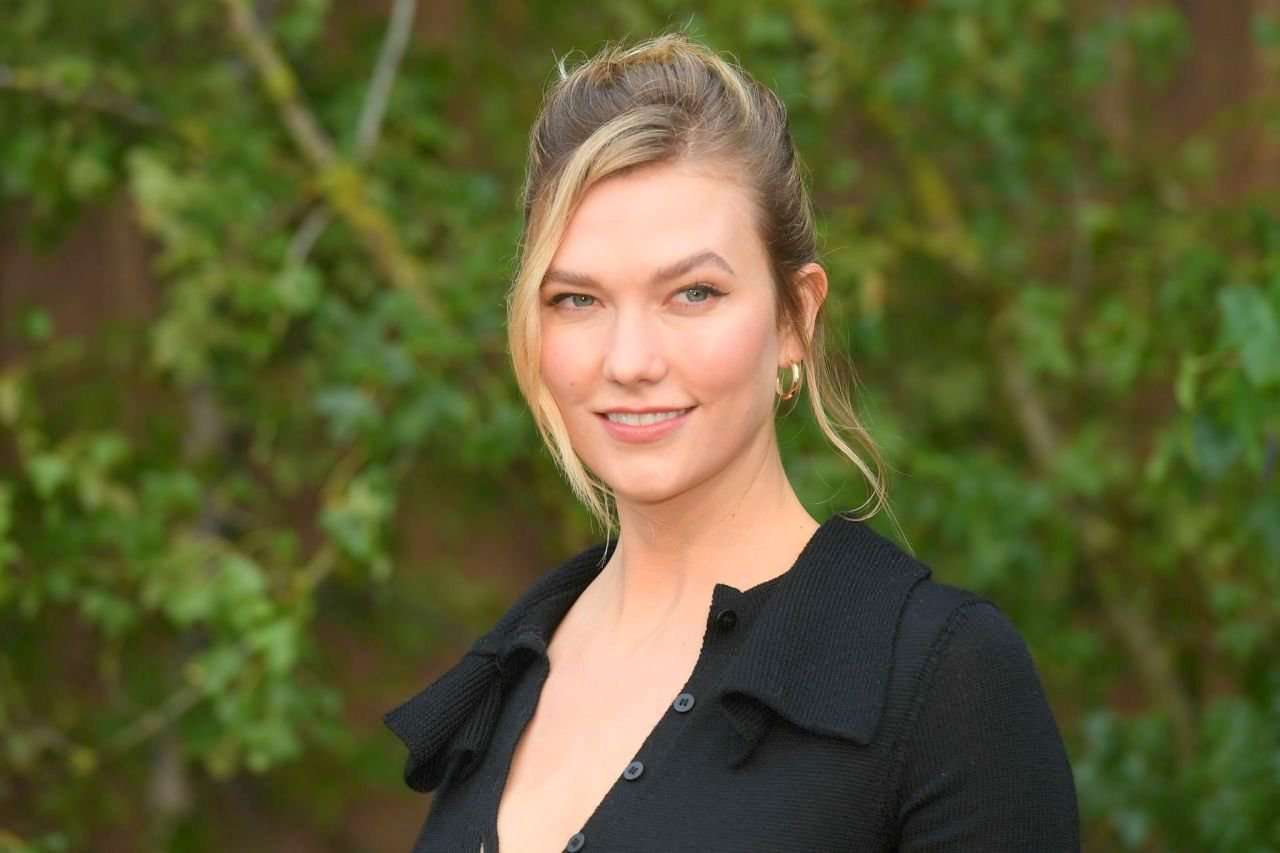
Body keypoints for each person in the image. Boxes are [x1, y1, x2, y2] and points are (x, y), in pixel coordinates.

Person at [384, 31, 1080, 853]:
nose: (629, 361)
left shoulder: (939, 677)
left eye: (693, 293)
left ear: (794, 317)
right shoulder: (507, 674)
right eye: (577, 299)